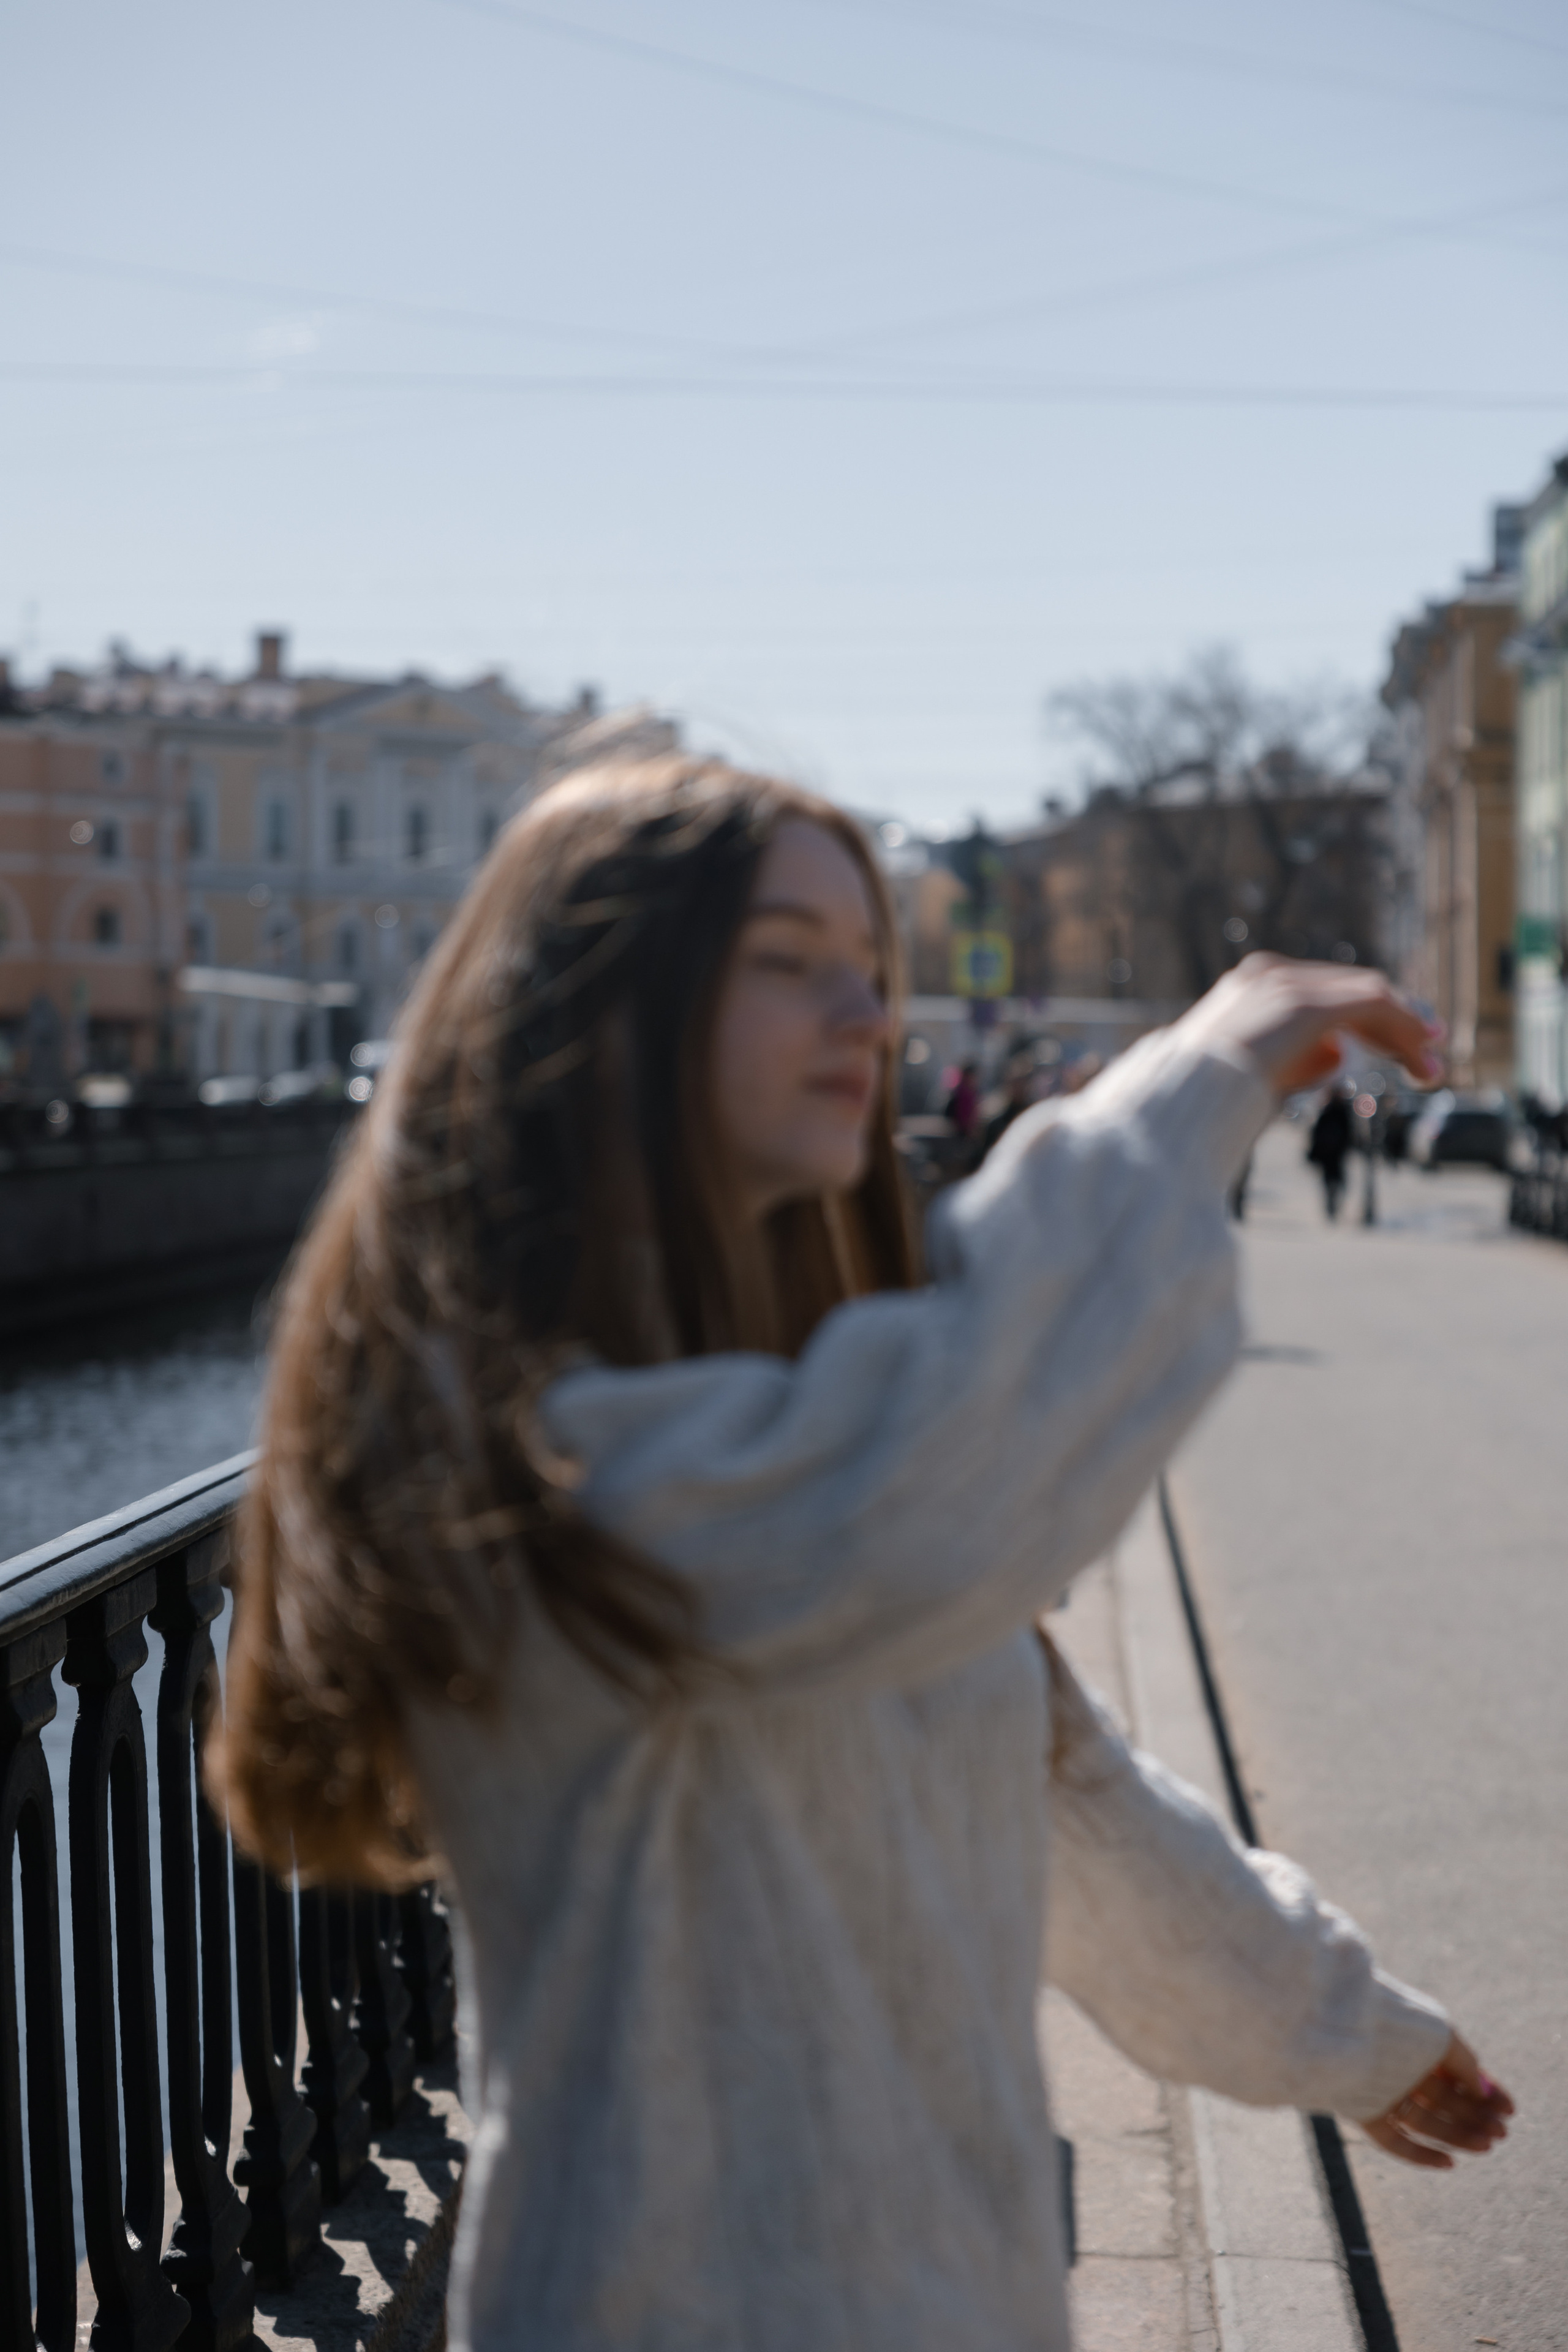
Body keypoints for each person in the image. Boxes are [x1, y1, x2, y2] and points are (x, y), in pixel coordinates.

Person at [214, 758, 1511, 2352]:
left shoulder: (792, 1440)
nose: (868, 1015)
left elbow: (1077, 1825)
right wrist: (1192, 1081)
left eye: (872, 971)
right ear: (595, 1019)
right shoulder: (529, 1461)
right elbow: (947, 1464)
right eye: (788, 962)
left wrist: (1352, 2038)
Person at [1308, 1079, 1355, 1220]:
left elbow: (1350, 1132)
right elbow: (1317, 1132)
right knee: (1332, 1180)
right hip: (1330, 1153)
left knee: (1336, 1180)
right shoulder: (1329, 1111)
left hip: (1336, 1153)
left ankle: (1333, 1204)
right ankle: (1331, 1204)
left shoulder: (1341, 1111)